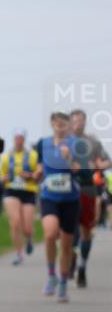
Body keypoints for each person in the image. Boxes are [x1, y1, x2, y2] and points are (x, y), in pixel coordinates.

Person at [35, 112, 85, 302]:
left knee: (66, 244)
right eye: (57, 124)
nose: (60, 127)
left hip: (70, 198)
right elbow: (40, 164)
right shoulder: (44, 143)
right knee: (49, 234)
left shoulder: (75, 144)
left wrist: (69, 158)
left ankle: (63, 282)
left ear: (69, 126)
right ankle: (51, 275)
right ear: (51, 124)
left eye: (63, 125)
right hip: (49, 196)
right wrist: (38, 171)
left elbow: (78, 169)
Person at [68, 109, 111, 287]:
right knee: (70, 231)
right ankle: (70, 259)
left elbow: (108, 161)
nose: (79, 124)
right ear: (70, 122)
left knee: (86, 231)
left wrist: (99, 165)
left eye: (82, 121)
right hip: (68, 188)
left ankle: (82, 267)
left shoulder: (92, 141)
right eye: (75, 121)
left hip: (88, 188)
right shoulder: (63, 142)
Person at [0, 129, 39, 265]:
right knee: (15, 222)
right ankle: (18, 253)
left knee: (27, 227)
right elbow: (1, 176)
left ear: (24, 139)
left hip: (28, 191)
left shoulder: (33, 155)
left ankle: (28, 239)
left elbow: (38, 174)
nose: (18, 140)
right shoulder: (6, 156)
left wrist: (31, 175)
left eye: (21, 138)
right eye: (16, 138)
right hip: (11, 191)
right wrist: (5, 178)